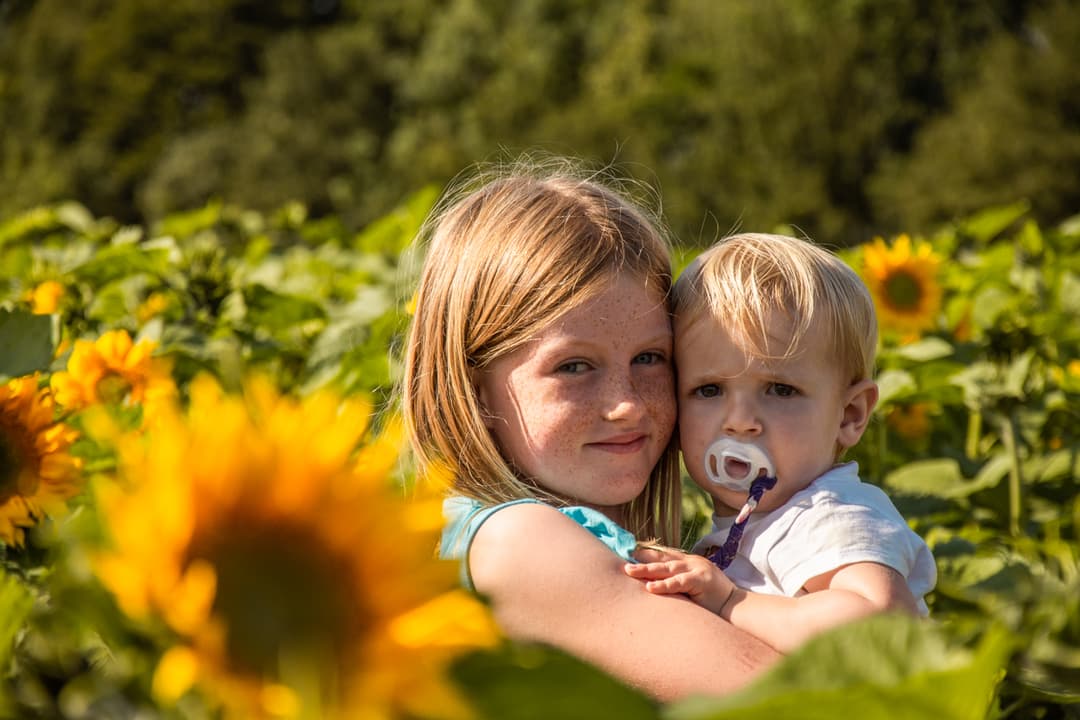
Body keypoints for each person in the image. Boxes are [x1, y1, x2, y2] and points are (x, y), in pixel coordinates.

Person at [402, 160, 781, 701]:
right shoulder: (518, 545)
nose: (626, 404)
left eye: (650, 357)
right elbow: (799, 701)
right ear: (473, 383)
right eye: (574, 367)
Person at [625, 232, 937, 653]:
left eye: (780, 390)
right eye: (709, 390)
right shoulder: (753, 525)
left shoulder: (828, 514)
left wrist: (732, 600)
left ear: (850, 415)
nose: (740, 422)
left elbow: (877, 619)